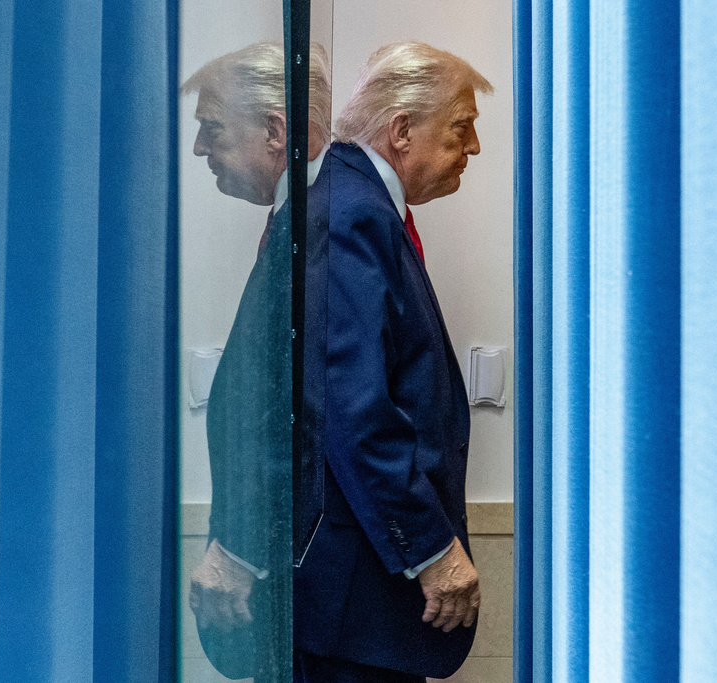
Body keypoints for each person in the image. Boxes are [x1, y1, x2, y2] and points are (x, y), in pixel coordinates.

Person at [293, 42, 493, 682]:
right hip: (361, 608)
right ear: (402, 130)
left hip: (365, 604)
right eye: (463, 127)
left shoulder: (361, 207)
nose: (476, 148)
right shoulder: (352, 215)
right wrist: (432, 551)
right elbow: (353, 411)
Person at [181, 41, 331, 682]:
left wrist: (239, 548)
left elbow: (305, 411)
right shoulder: (299, 220)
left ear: (275, 131)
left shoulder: (325, 225)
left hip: (301, 577)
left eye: (211, 129)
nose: (197, 150)